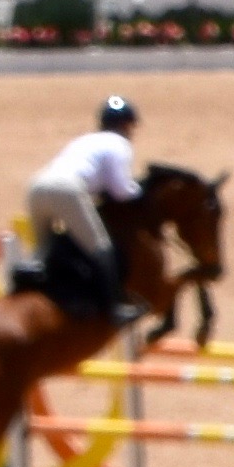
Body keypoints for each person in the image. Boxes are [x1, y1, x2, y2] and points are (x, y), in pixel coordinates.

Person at [20, 95, 148, 333]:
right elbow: (121, 191)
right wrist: (140, 192)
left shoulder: (85, 140)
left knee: (42, 254)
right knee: (101, 247)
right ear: (125, 125)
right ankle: (114, 309)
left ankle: (23, 295)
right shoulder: (120, 144)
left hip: (37, 187)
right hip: (67, 189)